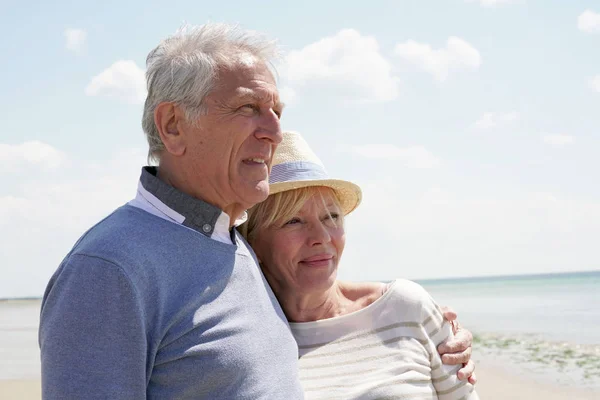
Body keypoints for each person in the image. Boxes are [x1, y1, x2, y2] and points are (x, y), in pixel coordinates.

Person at [39, 23, 473, 399]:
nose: (274, 131)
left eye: (276, 111)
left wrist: (427, 332)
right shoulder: (108, 270)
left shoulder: (231, 243)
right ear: (173, 125)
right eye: (249, 108)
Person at [242, 131, 479, 399]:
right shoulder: (244, 342)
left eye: (331, 217)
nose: (321, 237)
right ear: (252, 242)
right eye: (293, 221)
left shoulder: (404, 306)